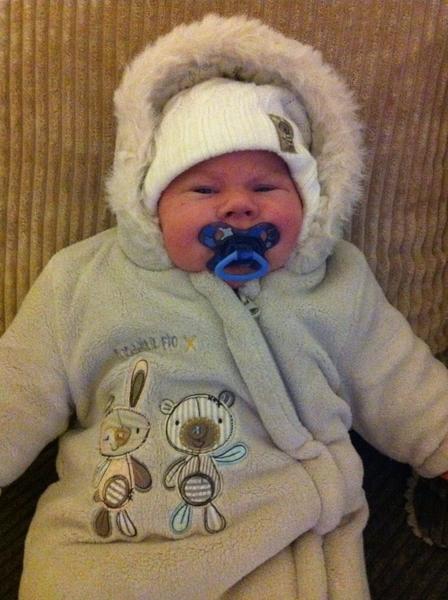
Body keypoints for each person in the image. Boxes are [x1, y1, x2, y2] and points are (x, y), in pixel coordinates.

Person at [0, 13, 447, 600]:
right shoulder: (83, 281)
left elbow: (398, 379)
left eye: (266, 187)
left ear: (311, 204)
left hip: (282, 547)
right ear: (151, 203)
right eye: (204, 189)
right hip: (105, 551)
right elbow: (18, 386)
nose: (238, 206)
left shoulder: (335, 282)